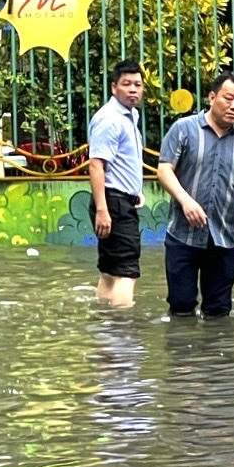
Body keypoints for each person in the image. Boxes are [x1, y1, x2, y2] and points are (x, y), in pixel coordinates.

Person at [157, 72, 234, 317]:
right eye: (228, 98)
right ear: (212, 97)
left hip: (224, 238)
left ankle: (216, 355)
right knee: (181, 306)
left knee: (219, 312)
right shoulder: (184, 129)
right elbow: (165, 169)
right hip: (183, 235)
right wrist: (186, 201)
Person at [87, 60, 145, 307]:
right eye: (126, 84)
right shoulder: (110, 119)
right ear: (114, 88)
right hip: (113, 203)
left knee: (110, 270)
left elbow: (123, 160)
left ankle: (106, 327)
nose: (133, 89)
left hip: (119, 200)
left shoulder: (131, 115)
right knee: (127, 271)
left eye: (138, 85)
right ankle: (123, 332)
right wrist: (103, 209)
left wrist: (136, 191)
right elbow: (96, 164)